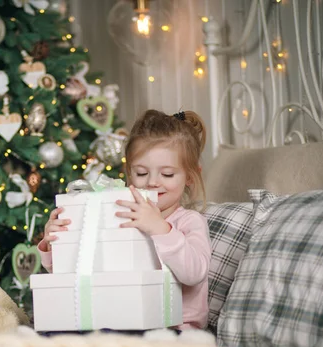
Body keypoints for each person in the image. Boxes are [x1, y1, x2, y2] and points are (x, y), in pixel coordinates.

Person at [37, 109, 211, 330]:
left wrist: (160, 229)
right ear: (129, 173)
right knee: (55, 335)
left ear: (190, 176)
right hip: (120, 323)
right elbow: (86, 277)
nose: (153, 182)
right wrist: (56, 244)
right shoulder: (121, 215)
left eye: (167, 174)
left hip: (176, 330)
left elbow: (194, 273)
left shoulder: (189, 222)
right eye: (141, 173)